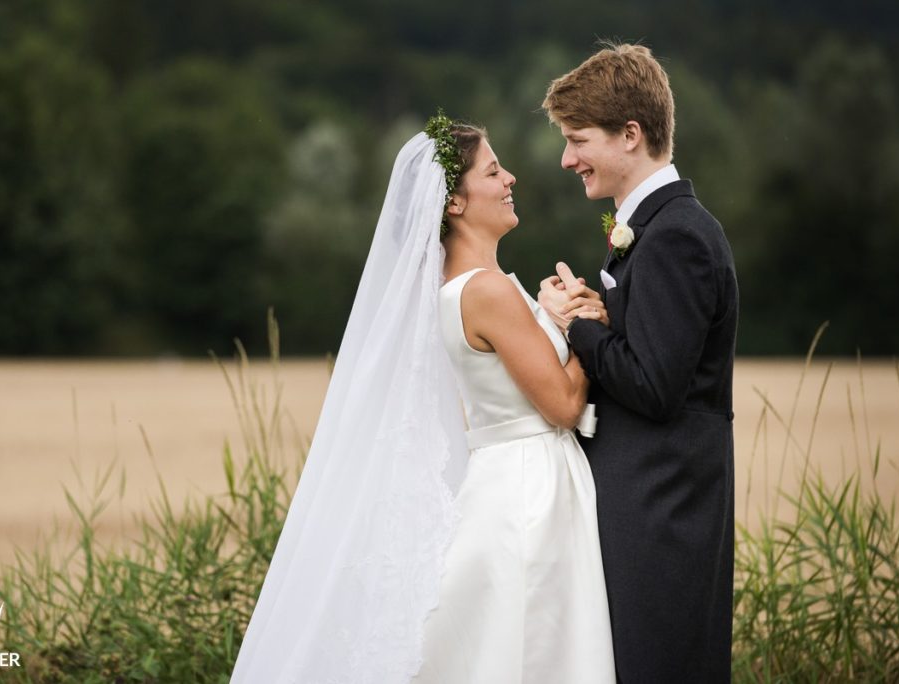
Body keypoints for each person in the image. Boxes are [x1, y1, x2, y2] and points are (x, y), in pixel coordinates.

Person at [230, 112, 615, 684]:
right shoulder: (486, 289)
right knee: (536, 649)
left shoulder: (464, 287)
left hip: (505, 477)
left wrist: (553, 324)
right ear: (454, 203)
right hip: (530, 490)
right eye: (493, 171)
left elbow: (512, 372)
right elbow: (560, 405)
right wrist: (591, 330)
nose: (510, 179)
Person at [538, 43, 739, 683]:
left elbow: (654, 387)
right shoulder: (654, 230)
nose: (567, 158)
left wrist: (579, 327)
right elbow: (653, 352)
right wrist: (602, 317)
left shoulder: (676, 235)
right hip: (646, 505)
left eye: (578, 140)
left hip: (661, 514)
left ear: (631, 135)